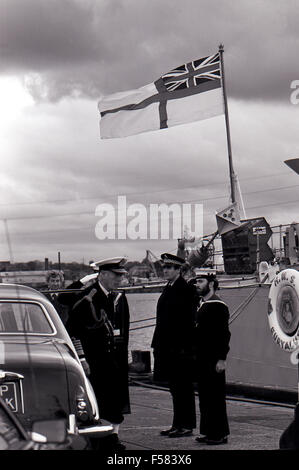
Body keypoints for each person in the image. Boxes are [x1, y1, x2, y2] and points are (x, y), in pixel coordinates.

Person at [57, 257, 130, 451]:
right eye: (116, 275)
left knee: (113, 401)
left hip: (110, 360)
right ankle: (103, 441)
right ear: (103, 274)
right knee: (99, 401)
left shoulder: (110, 297)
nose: (119, 279)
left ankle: (111, 439)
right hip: (94, 361)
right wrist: (82, 358)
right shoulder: (88, 298)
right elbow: (73, 332)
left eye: (121, 275)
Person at [151, 253, 197, 438]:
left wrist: (185, 347)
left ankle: (187, 425)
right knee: (174, 388)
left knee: (184, 388)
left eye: (170, 268)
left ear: (179, 270)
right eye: (165, 268)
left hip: (180, 348)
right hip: (167, 346)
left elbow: (188, 321)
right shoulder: (168, 288)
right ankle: (177, 424)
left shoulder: (186, 290)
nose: (166, 271)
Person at [191, 273, 230, 445]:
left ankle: (219, 434)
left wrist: (222, 358)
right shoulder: (203, 304)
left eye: (200, 281)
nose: (196, 284)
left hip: (214, 358)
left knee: (215, 397)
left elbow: (223, 334)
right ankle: (208, 431)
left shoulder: (218, 305)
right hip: (202, 358)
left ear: (211, 283)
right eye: (196, 281)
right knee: (205, 396)